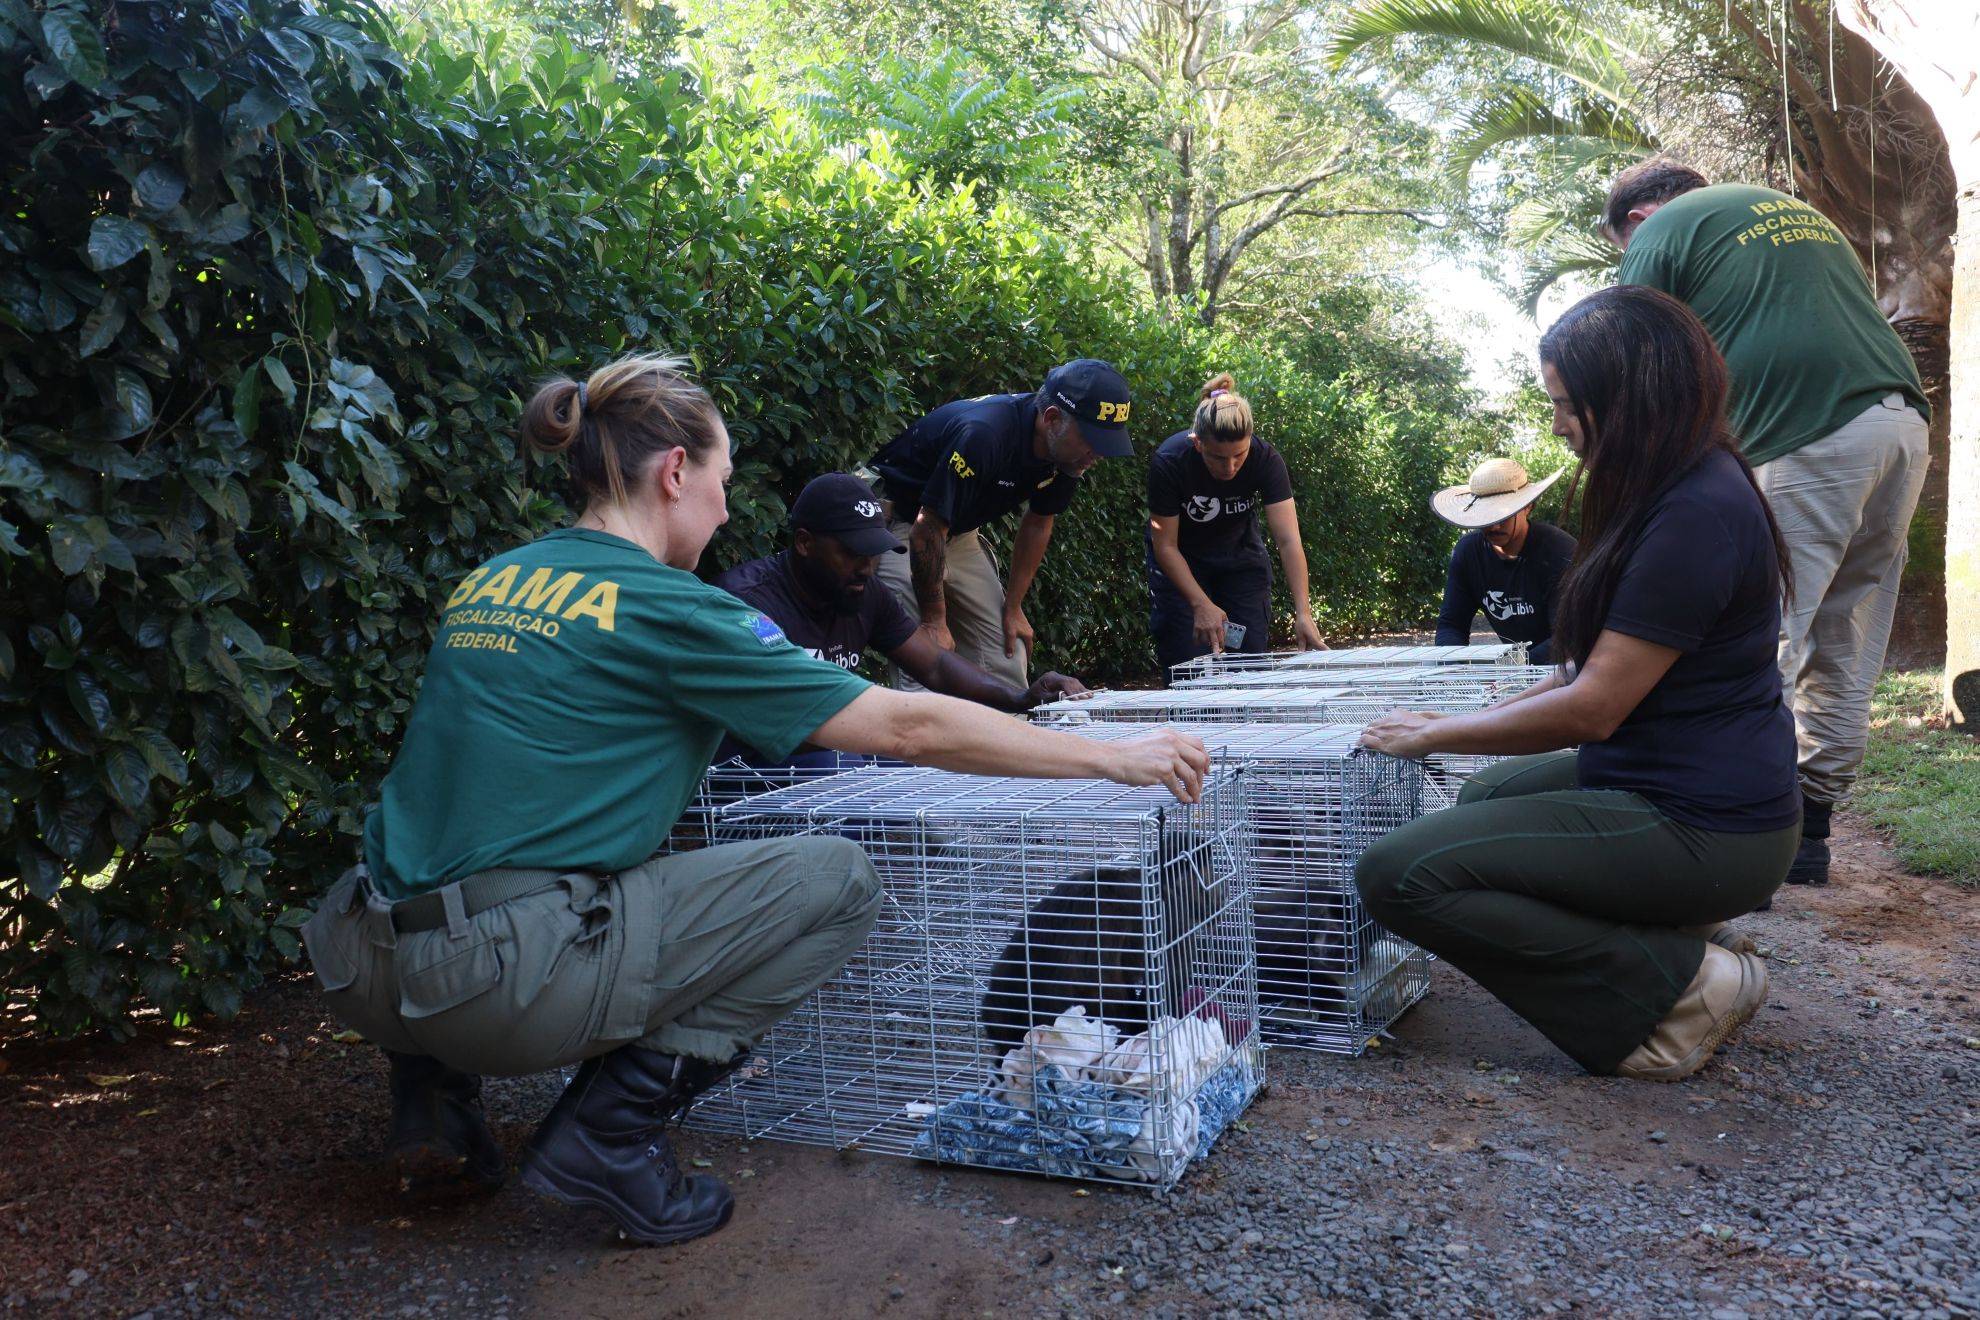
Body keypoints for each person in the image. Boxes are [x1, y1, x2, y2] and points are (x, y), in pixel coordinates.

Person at [302, 354, 1209, 1246]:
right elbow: (909, 729)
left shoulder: (491, 583)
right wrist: (1109, 759)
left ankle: (431, 1097)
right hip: (492, 987)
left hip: (356, 959)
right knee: (839, 879)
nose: (729, 507)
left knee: (488, 839)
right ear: (673, 473)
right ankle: (606, 1140)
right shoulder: (677, 609)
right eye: (723, 480)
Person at [1355, 286, 1800, 1083]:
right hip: (1680, 786)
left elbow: (1593, 707)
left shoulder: (1695, 511)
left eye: (1565, 404)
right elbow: (1581, 668)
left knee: (1396, 873)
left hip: (1710, 827)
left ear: (1626, 398)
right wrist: (1473, 711)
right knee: (1486, 799)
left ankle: (1681, 990)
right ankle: (1683, 937)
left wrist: (1433, 734)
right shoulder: (1668, 486)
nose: (1557, 423)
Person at [1605, 157, 1932, 887]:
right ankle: (1811, 828)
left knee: (1761, 635)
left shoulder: (1663, 231)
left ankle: (1735, 829)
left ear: (1637, 220)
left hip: (1805, 436)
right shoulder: (1792, 214)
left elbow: (1627, 359)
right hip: (1899, 424)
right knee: (1848, 633)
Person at [715, 473, 1089, 729]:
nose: (866, 568)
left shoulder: (862, 592)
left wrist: (1021, 697)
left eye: (872, 553)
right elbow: (787, 716)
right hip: (758, 776)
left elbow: (936, 666)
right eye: (852, 553)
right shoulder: (747, 606)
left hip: (831, 751)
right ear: (804, 543)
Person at [868, 359, 1133, 692]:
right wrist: (935, 620)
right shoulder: (985, 434)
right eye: (1093, 441)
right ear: (1052, 419)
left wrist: (1014, 605)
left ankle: (1004, 737)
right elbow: (927, 528)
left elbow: (1039, 522)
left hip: (954, 532)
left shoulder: (1068, 455)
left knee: (1006, 654)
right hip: (899, 523)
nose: (1100, 455)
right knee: (923, 657)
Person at [1146, 373, 1326, 676]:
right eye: (1218, 457)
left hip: (1240, 564)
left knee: (1247, 665)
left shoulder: (1266, 459)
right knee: (1189, 668)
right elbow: (1165, 544)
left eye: (1239, 455)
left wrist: (1303, 612)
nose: (1229, 467)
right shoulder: (1170, 461)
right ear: (1197, 442)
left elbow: (1288, 541)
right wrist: (1200, 603)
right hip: (1183, 565)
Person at [1431, 458, 1576, 663]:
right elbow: (1451, 625)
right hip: (1519, 667)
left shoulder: (1559, 551)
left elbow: (1568, 640)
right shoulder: (1468, 553)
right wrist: (1457, 668)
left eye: (1504, 515)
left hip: (1571, 667)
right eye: (1485, 516)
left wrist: (1511, 669)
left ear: (1528, 507)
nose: (1494, 526)